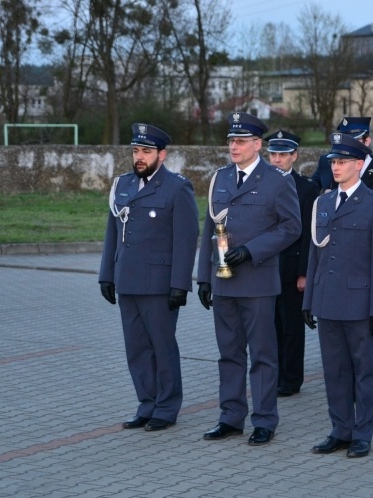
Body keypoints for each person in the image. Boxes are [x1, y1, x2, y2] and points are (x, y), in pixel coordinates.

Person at [197, 111, 301, 446]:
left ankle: (265, 420)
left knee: (262, 355)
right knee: (228, 353)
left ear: (258, 144)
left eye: (241, 141)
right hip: (224, 280)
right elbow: (209, 229)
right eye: (231, 141)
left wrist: (252, 250)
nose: (234, 146)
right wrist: (203, 277)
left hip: (257, 280)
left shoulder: (277, 180)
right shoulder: (221, 178)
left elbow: (291, 227)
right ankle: (230, 417)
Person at [98, 123, 199, 432]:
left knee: (161, 346)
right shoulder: (123, 185)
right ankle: (147, 403)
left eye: (146, 152)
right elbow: (112, 232)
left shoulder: (176, 188)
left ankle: (167, 407)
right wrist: (106, 275)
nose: (139, 157)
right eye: (135, 151)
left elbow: (186, 239)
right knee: (137, 348)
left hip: (159, 286)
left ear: (162, 155)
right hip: (127, 280)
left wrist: (180, 284)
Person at [302, 133, 373, 458]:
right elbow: (315, 255)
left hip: (360, 304)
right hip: (328, 301)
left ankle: (362, 434)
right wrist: (308, 301)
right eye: (333, 161)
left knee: (364, 372)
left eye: (342, 162)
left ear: (359, 164)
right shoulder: (323, 203)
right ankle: (340, 429)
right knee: (335, 371)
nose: (336, 167)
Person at [264, 129, 320, 396]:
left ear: (294, 156)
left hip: (291, 267)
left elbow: (310, 233)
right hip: (264, 265)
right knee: (269, 326)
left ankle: (291, 379)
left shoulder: (307, 188)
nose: (277, 160)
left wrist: (304, 272)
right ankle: (273, 375)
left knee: (291, 328)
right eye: (273, 154)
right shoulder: (260, 182)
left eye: (283, 155)